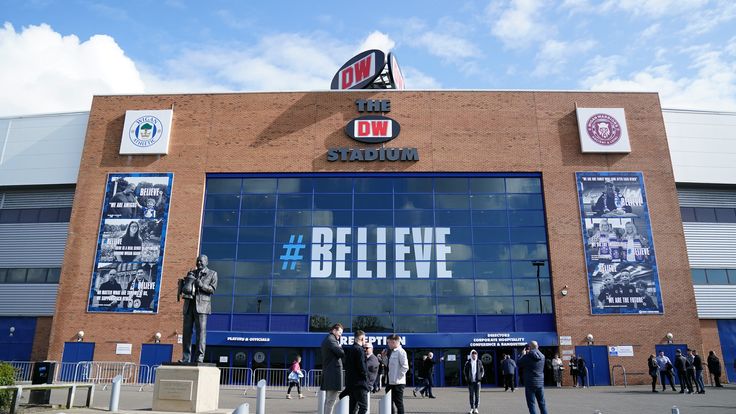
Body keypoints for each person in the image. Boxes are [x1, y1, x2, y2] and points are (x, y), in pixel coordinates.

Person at [178, 255, 217, 363]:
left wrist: (201, 285)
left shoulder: (212, 274)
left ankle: (199, 358)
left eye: (201, 261)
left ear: (206, 262)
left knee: (201, 333)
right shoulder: (192, 273)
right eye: (197, 261)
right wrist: (182, 285)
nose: (199, 263)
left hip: (202, 307)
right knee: (186, 333)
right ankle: (186, 358)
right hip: (189, 305)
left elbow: (212, 289)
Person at [340, 330, 370, 414]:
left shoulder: (351, 349)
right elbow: (362, 367)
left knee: (352, 408)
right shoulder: (360, 350)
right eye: (365, 338)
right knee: (363, 407)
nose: (365, 340)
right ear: (362, 338)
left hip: (351, 384)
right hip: (360, 384)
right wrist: (366, 381)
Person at [320, 323, 345, 414]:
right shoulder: (331, 340)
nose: (340, 335)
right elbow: (341, 353)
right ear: (334, 330)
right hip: (332, 375)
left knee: (329, 400)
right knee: (331, 400)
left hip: (330, 374)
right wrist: (340, 347)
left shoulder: (329, 339)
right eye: (339, 332)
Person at [518, 341, 548, 414]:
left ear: (530, 347)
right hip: (540, 383)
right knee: (542, 403)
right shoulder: (543, 356)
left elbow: (518, 363)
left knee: (531, 404)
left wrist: (522, 354)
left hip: (530, 383)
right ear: (537, 346)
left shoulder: (527, 357)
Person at [386, 334, 408, 414]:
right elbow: (388, 366)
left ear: (393, 342)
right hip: (391, 382)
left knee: (398, 403)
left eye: (388, 343)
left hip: (398, 383)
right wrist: (383, 358)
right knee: (389, 402)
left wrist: (398, 378)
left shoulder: (401, 352)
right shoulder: (393, 352)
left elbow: (405, 367)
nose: (388, 344)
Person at [463, 350, 484, 414]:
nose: (474, 355)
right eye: (473, 354)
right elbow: (465, 371)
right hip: (471, 382)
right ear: (471, 355)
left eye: (475, 354)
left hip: (477, 382)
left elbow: (482, 371)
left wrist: (480, 378)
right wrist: (467, 379)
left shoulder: (479, 362)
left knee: (477, 396)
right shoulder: (468, 362)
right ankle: (472, 408)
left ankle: (476, 408)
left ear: (476, 355)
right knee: (471, 395)